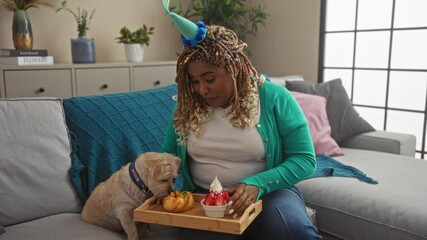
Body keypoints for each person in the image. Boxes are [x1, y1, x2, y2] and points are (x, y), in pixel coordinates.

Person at [161, 2, 322, 239]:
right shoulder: (186, 107)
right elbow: (168, 155)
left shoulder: (274, 98)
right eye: (194, 82)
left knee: (294, 231)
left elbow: (305, 159)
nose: (201, 90)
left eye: (209, 78)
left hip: (270, 193)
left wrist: (258, 183)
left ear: (234, 67)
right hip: (205, 198)